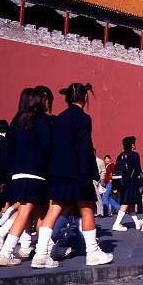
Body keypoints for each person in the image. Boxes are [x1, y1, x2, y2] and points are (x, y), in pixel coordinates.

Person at [31, 82, 113, 268]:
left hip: (58, 172)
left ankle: (40, 254)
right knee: (87, 209)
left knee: (53, 211)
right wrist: (88, 175)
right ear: (84, 98)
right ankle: (92, 252)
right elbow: (83, 148)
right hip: (77, 173)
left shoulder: (58, 119)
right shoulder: (84, 119)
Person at [0, 88, 53, 266]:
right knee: (26, 210)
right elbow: (47, 145)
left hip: (17, 172)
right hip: (35, 172)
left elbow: (9, 149)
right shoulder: (42, 120)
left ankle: (44, 248)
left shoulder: (17, 121)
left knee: (37, 211)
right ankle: (6, 252)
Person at [111, 136, 143, 231]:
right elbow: (137, 169)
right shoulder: (134, 155)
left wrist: (115, 186)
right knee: (126, 203)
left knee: (131, 204)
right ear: (132, 145)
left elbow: (116, 172)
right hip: (131, 183)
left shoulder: (120, 155)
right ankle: (116, 224)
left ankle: (137, 223)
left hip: (122, 183)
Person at [94, 149, 106, 218]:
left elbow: (103, 172)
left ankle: (100, 212)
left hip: (95, 181)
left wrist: (102, 181)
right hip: (86, 180)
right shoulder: (85, 161)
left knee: (97, 196)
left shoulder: (100, 161)